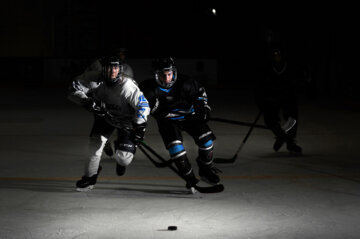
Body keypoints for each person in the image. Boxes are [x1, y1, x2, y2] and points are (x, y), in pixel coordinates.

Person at [68, 56, 150, 191]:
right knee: (94, 144)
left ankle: (122, 153)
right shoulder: (93, 78)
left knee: (123, 159)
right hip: (106, 117)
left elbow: (143, 105)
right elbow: (72, 89)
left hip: (126, 120)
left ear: (120, 69)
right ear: (103, 69)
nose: (113, 71)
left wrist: (140, 127)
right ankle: (90, 177)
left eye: (116, 67)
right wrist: (86, 101)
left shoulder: (127, 85)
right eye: (109, 67)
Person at [139, 57, 221, 191]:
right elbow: (141, 110)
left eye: (169, 74)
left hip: (190, 118)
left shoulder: (186, 82)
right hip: (168, 122)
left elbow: (200, 95)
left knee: (207, 142)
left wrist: (204, 109)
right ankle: (189, 177)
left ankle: (206, 170)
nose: (167, 79)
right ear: (156, 74)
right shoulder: (147, 88)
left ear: (174, 72)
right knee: (176, 150)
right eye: (163, 75)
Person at [71, 47, 134, 158]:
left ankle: (120, 144)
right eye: (120, 53)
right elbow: (89, 81)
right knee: (100, 122)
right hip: (100, 98)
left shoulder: (127, 68)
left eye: (123, 53)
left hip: (118, 102)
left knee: (121, 126)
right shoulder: (98, 65)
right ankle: (104, 144)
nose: (122, 56)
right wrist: (89, 100)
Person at [255, 46, 302, 154]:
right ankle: (281, 135)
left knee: (292, 117)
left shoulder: (290, 67)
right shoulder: (266, 68)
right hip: (272, 98)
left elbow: (296, 84)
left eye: (279, 55)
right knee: (269, 117)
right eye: (275, 55)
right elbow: (259, 88)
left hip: (287, 97)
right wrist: (262, 103)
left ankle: (290, 142)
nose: (277, 58)